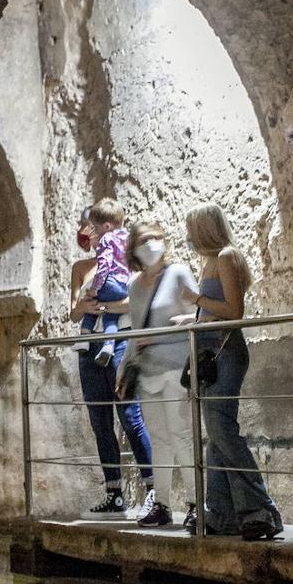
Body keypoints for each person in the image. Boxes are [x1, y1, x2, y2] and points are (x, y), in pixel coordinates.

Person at [179, 203, 282, 540]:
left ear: (205, 230)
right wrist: (192, 317)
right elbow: (215, 309)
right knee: (216, 434)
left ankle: (261, 509)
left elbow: (234, 311)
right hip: (209, 351)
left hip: (226, 351)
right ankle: (222, 513)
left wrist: (196, 300)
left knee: (223, 431)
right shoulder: (211, 260)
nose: (189, 238)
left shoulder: (226, 256)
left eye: (193, 231)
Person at [71, 209, 154, 519]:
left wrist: (101, 306)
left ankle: (153, 492)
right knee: (99, 420)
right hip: (88, 347)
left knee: (130, 415)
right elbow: (74, 313)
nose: (84, 231)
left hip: (119, 342)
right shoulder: (81, 268)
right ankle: (114, 493)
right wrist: (83, 305)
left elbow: (131, 302)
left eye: (87, 226)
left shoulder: (124, 261)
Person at [116, 222, 200, 528]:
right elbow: (135, 331)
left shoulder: (177, 273)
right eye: (144, 240)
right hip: (148, 371)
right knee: (160, 439)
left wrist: (162, 334)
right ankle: (162, 504)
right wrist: (124, 367)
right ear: (134, 248)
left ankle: (196, 504)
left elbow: (200, 314)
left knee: (181, 437)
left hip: (176, 365)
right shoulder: (134, 286)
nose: (151, 244)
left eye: (156, 238)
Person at [79, 199, 131, 367]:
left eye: (94, 228)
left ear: (107, 226)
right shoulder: (128, 238)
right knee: (110, 317)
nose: (92, 233)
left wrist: (94, 288)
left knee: (92, 303)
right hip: (125, 286)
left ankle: (84, 337)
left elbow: (105, 265)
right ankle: (108, 345)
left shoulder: (107, 238)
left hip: (111, 282)